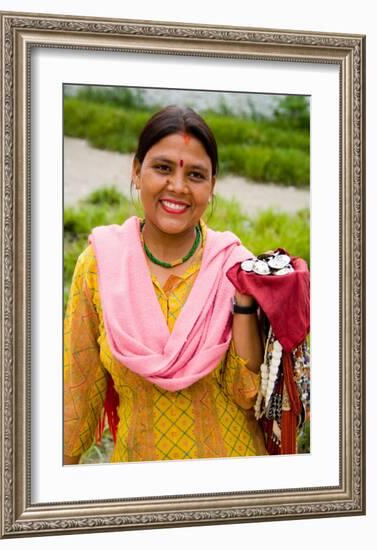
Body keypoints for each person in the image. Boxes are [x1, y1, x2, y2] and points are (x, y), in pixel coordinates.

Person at [63, 105, 268, 464]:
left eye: (196, 175)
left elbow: (247, 392)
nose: (177, 186)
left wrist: (245, 301)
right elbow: (76, 395)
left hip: (233, 480)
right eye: (162, 168)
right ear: (136, 171)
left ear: (212, 186)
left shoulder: (236, 265)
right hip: (138, 487)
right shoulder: (98, 266)